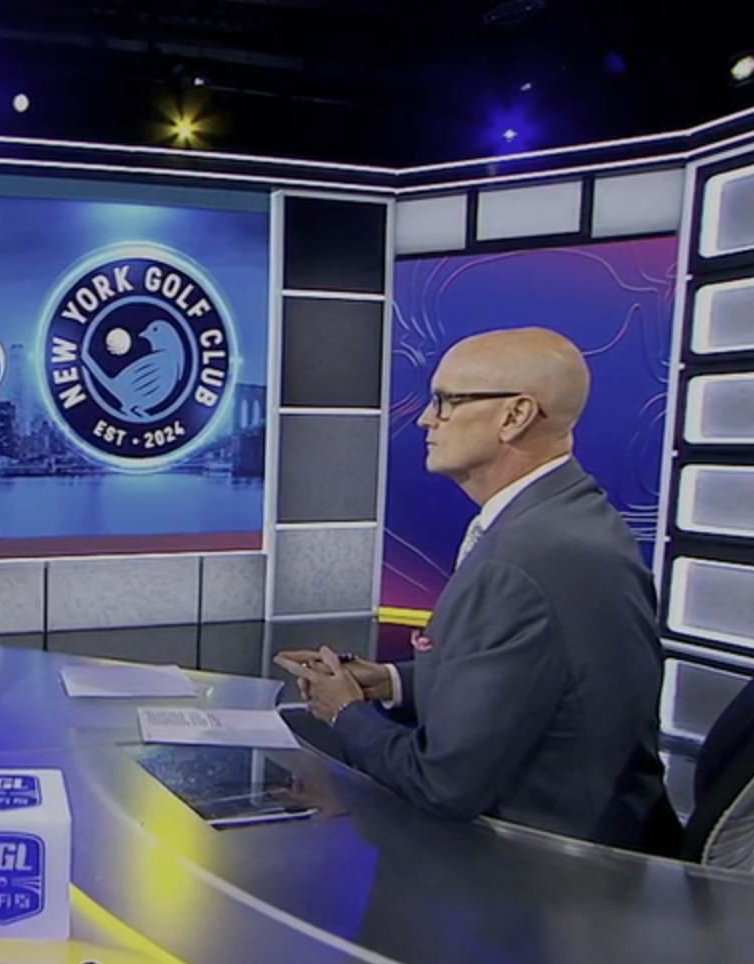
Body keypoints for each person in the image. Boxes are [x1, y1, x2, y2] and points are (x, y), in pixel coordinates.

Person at [277, 327, 681, 855]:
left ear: (515, 415)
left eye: (446, 401)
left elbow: (442, 784)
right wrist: (389, 682)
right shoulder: (568, 517)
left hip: (547, 865)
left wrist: (344, 712)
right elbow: (532, 678)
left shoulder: (520, 559)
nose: (426, 419)